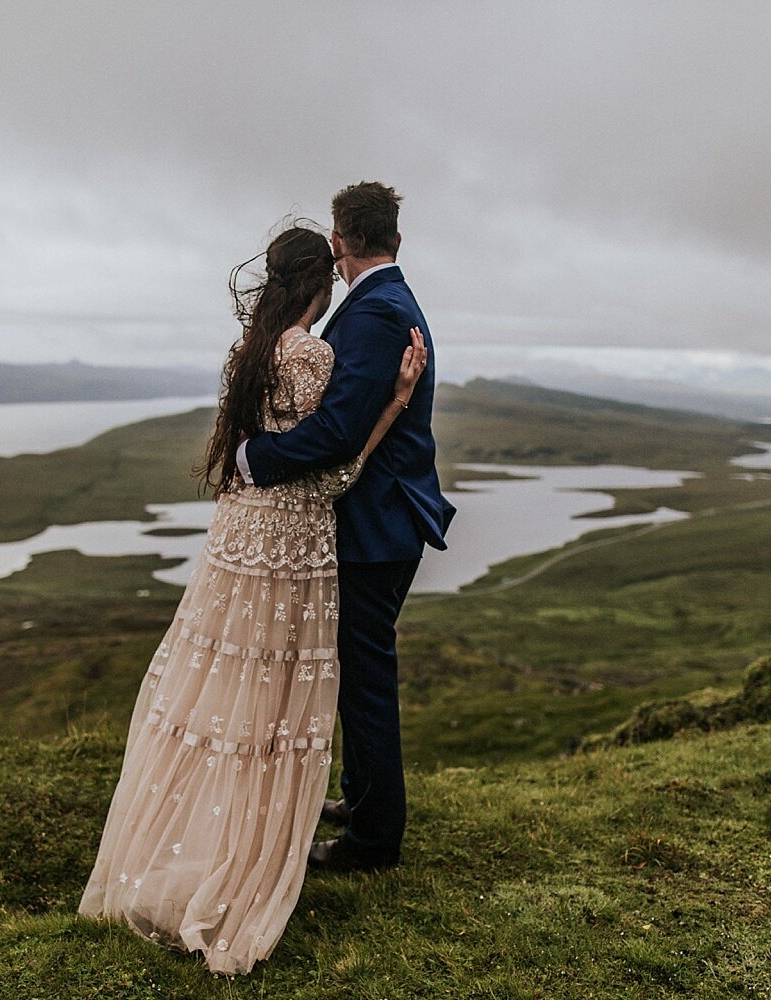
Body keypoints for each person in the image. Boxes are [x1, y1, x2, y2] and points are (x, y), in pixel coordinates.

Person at [79, 223, 427, 976]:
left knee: (220, 682)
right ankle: (249, 851)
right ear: (320, 282)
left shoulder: (247, 351)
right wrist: (394, 405)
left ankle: (194, 833)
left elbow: (250, 449)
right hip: (291, 545)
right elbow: (332, 471)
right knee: (274, 691)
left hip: (235, 539)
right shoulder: (311, 353)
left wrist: (249, 461)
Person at [239, 181, 454, 873]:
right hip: (378, 520)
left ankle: (373, 840)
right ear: (394, 236)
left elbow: (338, 430)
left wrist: (255, 458)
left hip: (376, 526)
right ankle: (364, 799)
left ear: (339, 242)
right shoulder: (385, 303)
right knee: (357, 671)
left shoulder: (378, 313)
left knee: (364, 679)